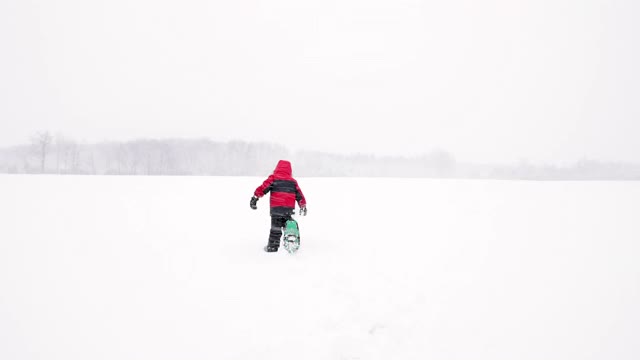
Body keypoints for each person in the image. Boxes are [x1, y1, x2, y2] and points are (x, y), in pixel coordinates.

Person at [250, 160, 307, 252]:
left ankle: (272, 247)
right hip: (288, 209)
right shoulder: (293, 182)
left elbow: (263, 188)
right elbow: (299, 195)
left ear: (277, 168)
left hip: (276, 209)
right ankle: (290, 236)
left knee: (275, 230)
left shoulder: (273, 178)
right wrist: (302, 206)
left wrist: (255, 197)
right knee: (288, 224)